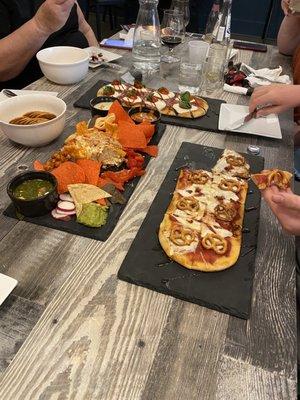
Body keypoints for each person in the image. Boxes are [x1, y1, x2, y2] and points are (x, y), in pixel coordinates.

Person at [0, 0, 98, 89]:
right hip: (33, 95)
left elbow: (85, 29)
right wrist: (40, 25)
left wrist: (97, 61)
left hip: (83, 82)